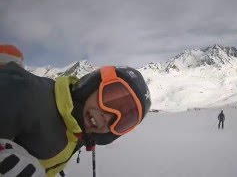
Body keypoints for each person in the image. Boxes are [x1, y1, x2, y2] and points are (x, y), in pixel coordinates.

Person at [0, 62, 151, 176]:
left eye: (123, 121)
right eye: (111, 100)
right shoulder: (23, 90)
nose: (108, 117)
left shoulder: (77, 130)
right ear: (92, 85)